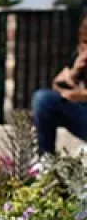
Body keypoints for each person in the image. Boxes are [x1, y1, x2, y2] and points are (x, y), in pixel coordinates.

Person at [32, 15, 87, 155]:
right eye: (84, 42)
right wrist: (74, 71)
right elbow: (57, 86)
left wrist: (82, 94)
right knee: (43, 99)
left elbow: (75, 94)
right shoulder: (80, 56)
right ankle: (46, 162)